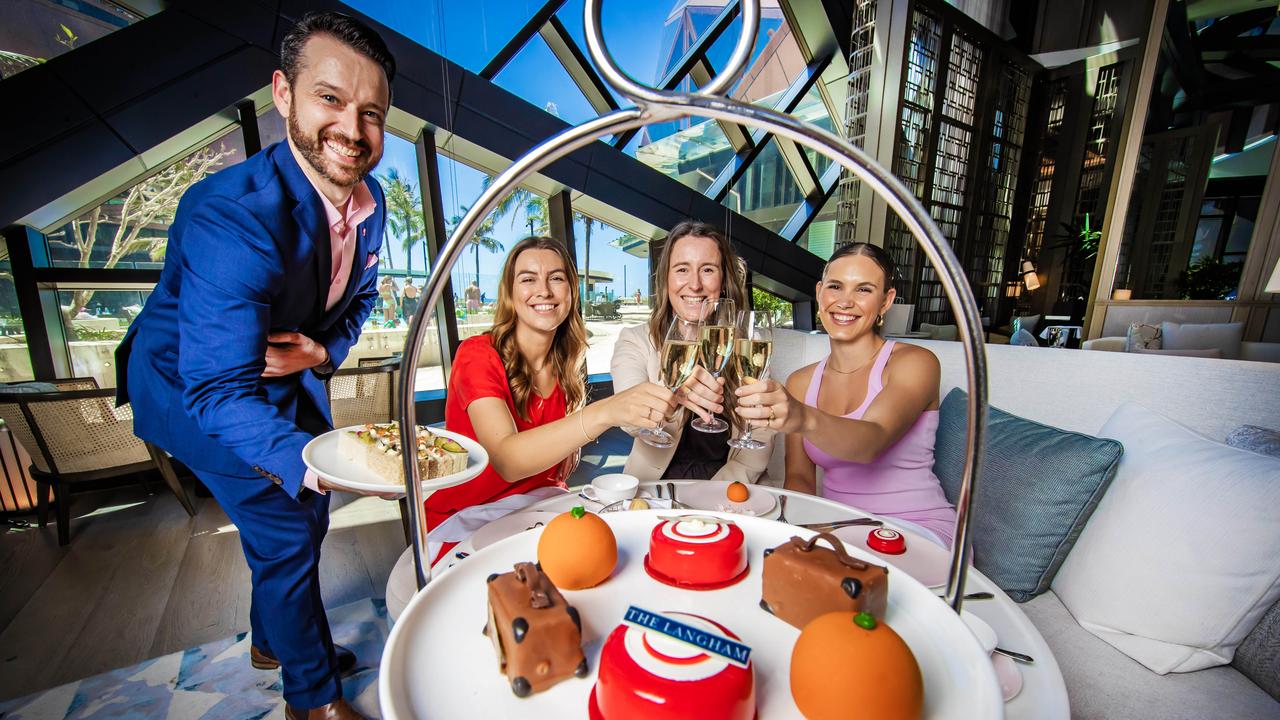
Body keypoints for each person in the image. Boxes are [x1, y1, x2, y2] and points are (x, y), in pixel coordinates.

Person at [115, 12, 395, 719]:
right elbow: (216, 387)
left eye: (371, 113)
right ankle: (311, 694)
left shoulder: (372, 202)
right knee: (285, 517)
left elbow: (360, 296)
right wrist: (321, 463)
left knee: (311, 512)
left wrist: (326, 349)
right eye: (330, 99)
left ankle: (275, 639)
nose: (353, 130)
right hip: (191, 384)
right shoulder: (230, 215)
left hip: (283, 371)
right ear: (283, 93)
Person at [425, 237, 676, 533]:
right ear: (510, 293)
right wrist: (606, 412)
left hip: (540, 511)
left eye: (556, 278)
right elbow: (508, 460)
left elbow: (554, 474)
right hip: (470, 519)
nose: (543, 290)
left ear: (571, 292)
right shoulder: (477, 354)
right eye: (528, 279)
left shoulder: (565, 364)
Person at [735, 243, 956, 546]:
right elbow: (800, 480)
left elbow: (872, 441)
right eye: (835, 287)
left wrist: (803, 417)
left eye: (863, 290)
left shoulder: (916, 362)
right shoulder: (801, 382)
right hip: (842, 531)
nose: (845, 302)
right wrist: (800, 536)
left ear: (886, 301)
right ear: (819, 292)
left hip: (916, 530)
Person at [610, 220, 773, 482]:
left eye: (707, 269)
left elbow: (761, 435)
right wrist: (676, 393)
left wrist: (717, 494)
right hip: (655, 488)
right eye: (682, 269)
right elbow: (631, 421)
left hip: (730, 488)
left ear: (722, 280)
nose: (695, 284)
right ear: (666, 280)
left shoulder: (745, 346)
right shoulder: (635, 340)